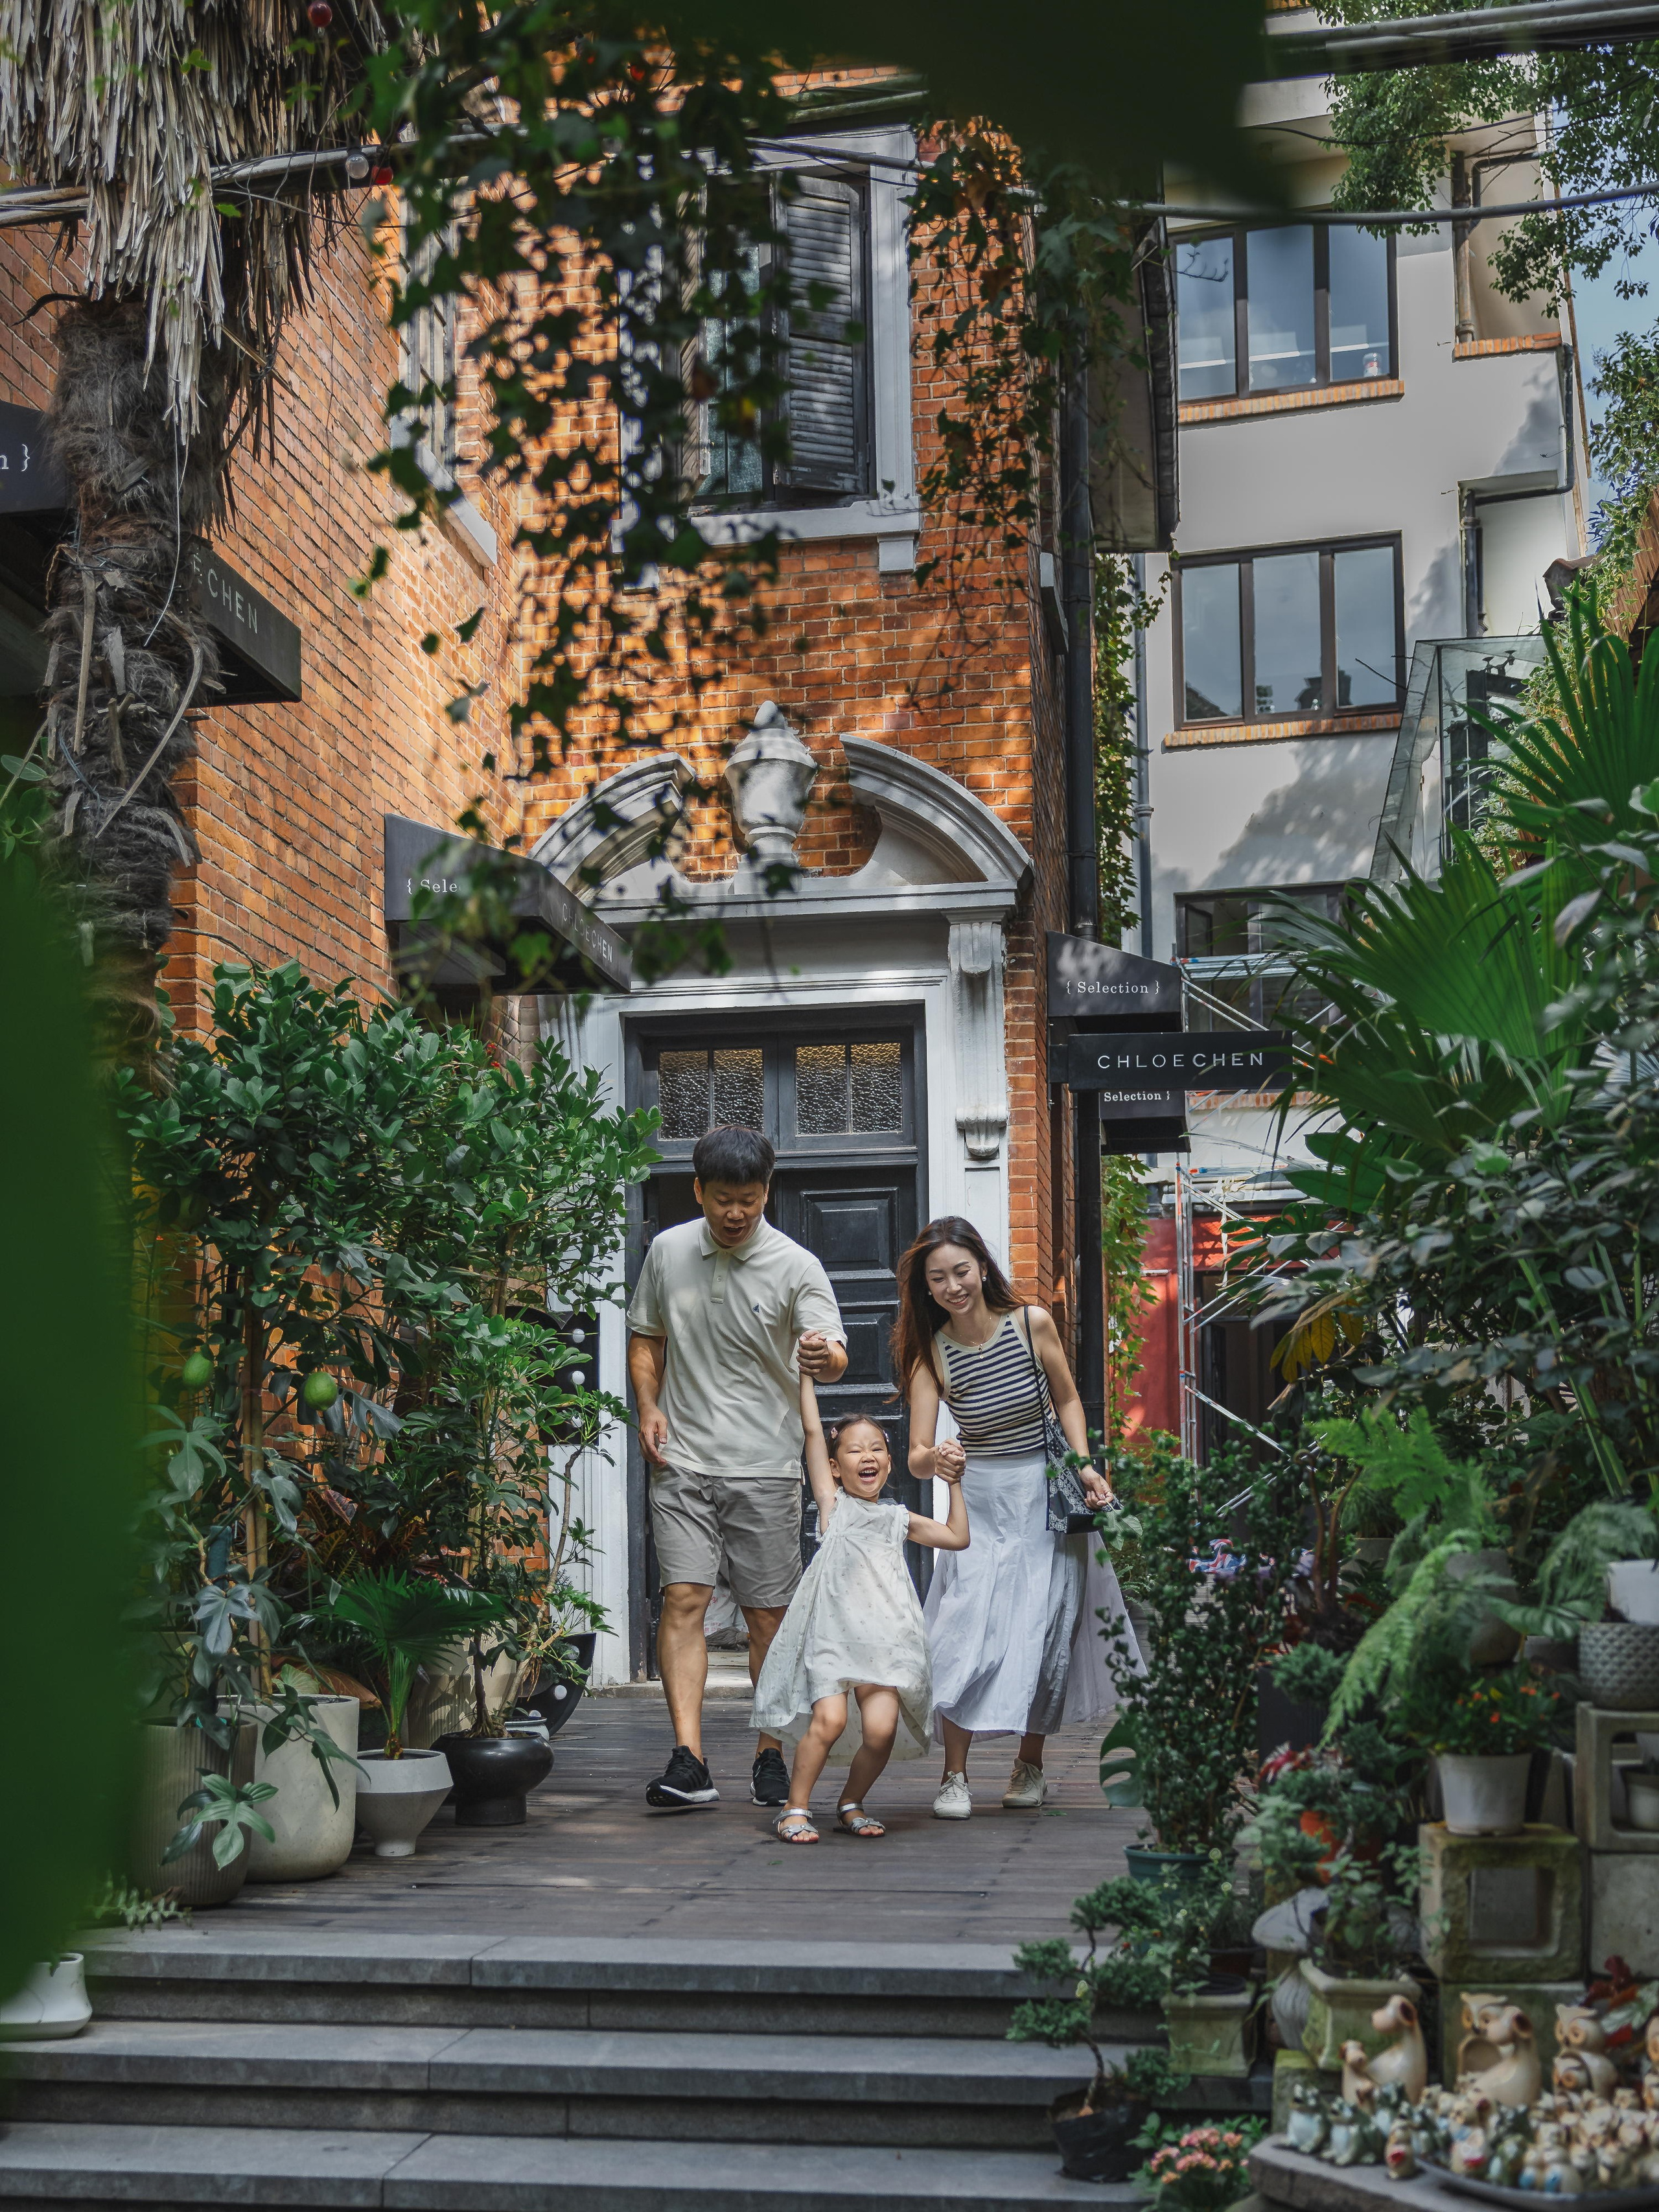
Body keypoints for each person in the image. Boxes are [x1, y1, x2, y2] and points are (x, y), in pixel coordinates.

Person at [626, 1124, 847, 1812]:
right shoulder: (666, 1251)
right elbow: (646, 1336)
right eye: (723, 1199)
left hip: (765, 1464)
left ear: (766, 1193)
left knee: (766, 1618)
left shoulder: (795, 1264)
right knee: (683, 1600)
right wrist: (648, 1405)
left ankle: (769, 1752)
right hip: (682, 1458)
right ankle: (689, 1758)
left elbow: (833, 1350)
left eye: (749, 1200)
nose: (735, 1213)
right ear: (698, 1191)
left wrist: (824, 1359)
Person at [896, 1215, 1143, 1819]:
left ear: (982, 1266)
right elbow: (918, 1457)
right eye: (939, 1279)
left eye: (961, 1271)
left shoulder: (1032, 1324)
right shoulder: (931, 1356)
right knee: (964, 1632)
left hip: (1044, 1496)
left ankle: (1029, 1765)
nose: (954, 1286)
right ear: (926, 1289)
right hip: (977, 1502)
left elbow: (1066, 1399)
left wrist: (1084, 1465)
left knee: (1042, 1631)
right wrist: (940, 1455)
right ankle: (954, 1776)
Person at [751, 1375, 968, 1843]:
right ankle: (795, 1806)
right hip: (833, 1638)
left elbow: (957, 1537)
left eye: (876, 1448)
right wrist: (805, 1375)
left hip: (886, 1642)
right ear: (833, 1466)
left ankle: (851, 1801)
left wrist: (953, 1483)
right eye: (854, 1450)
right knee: (828, 1720)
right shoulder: (833, 1507)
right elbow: (812, 1431)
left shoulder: (897, 1518)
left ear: (889, 1462)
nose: (867, 1457)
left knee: (881, 1729)